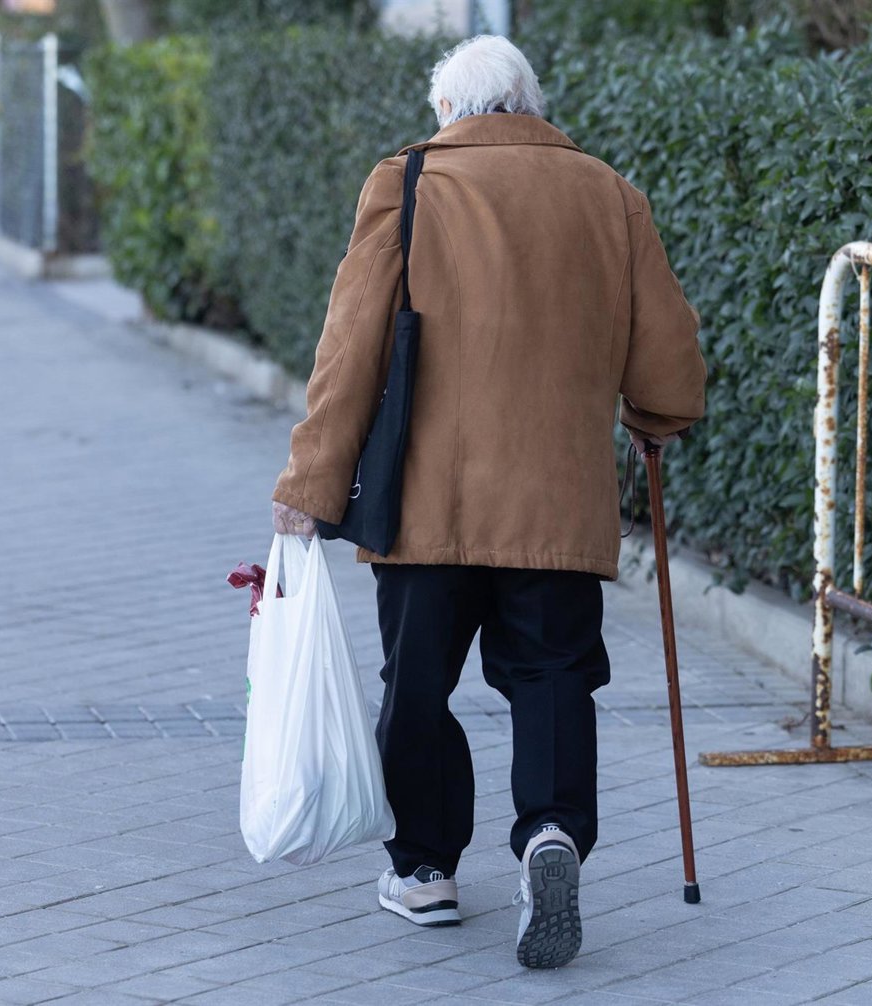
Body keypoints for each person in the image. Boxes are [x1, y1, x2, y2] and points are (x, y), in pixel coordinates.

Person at [271, 34, 705, 969]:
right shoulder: (608, 193)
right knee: (552, 676)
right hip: (557, 504)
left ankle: (425, 869)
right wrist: (655, 417)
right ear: (529, 102)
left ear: (447, 111)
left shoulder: (410, 182)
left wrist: (310, 486)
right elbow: (668, 359)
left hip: (427, 506)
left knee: (416, 687)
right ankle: (551, 832)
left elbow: (351, 349)